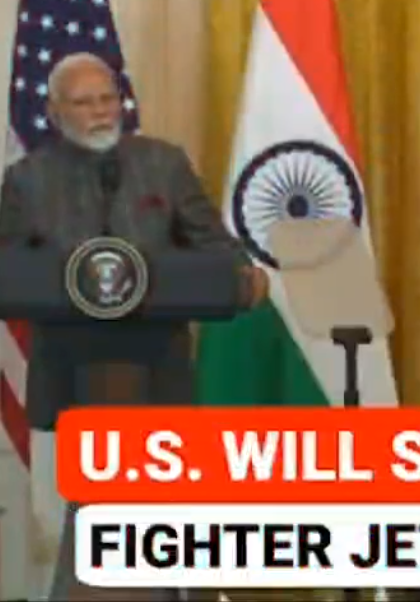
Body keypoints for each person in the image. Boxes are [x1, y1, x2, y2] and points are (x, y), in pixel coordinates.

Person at [0, 52, 268, 600]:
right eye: (84, 102)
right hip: (70, 380)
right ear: (54, 111)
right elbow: (8, 272)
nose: (101, 111)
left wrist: (242, 275)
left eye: (109, 98)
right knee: (74, 532)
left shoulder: (163, 164)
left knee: (164, 528)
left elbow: (218, 250)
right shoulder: (27, 180)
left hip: (158, 376)